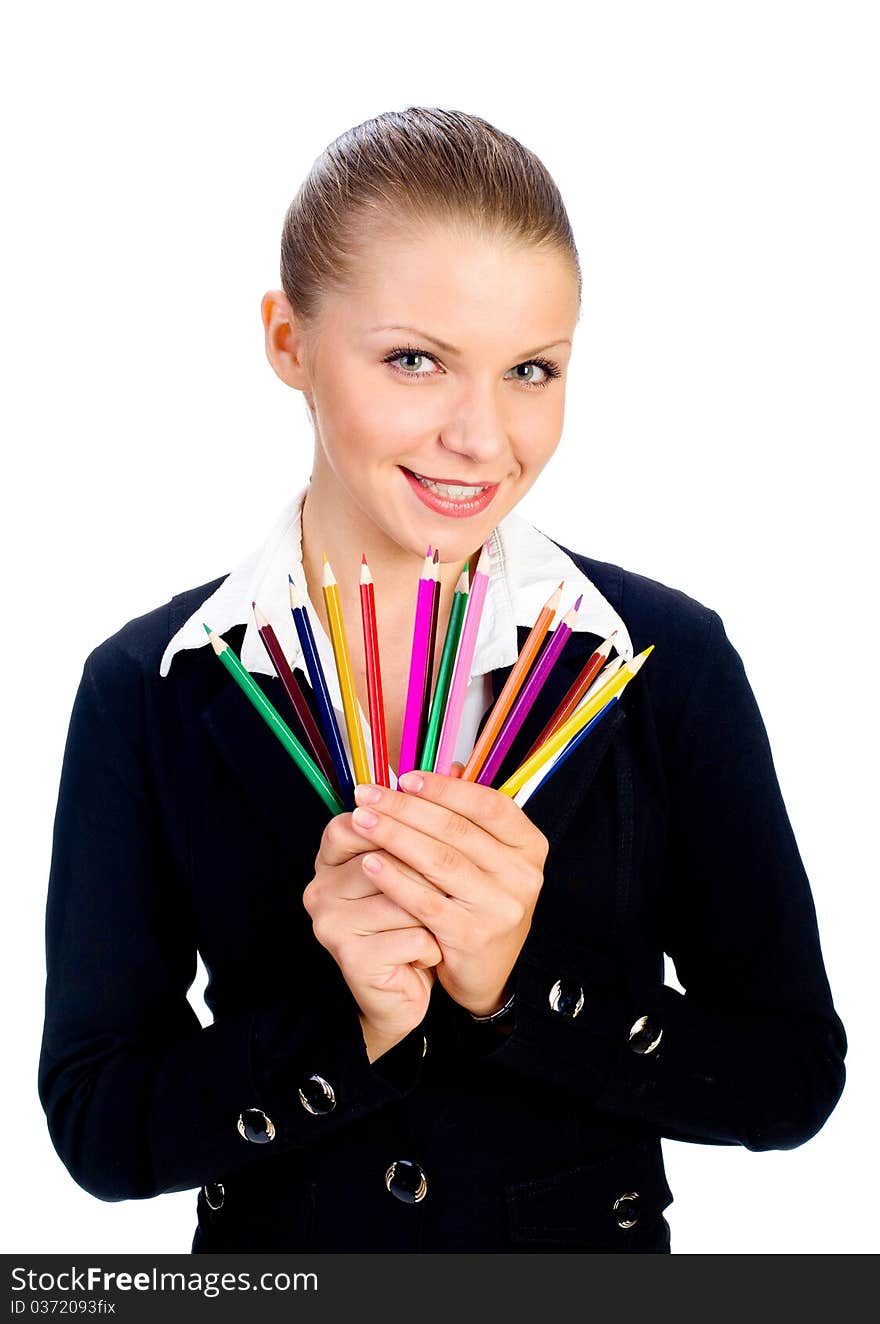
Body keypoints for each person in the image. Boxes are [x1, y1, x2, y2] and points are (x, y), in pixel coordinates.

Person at [38, 106, 846, 1254]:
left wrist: (525, 986)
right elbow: (97, 1126)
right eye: (414, 359)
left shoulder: (659, 659)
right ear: (288, 343)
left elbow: (788, 1080)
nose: (480, 435)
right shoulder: (148, 684)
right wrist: (346, 1021)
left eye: (531, 369)